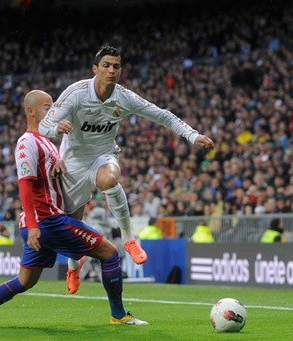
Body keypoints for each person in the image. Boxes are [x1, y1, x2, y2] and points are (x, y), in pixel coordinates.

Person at [0, 90, 147, 328]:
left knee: (24, 282)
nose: (53, 111)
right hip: (47, 222)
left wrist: (58, 163)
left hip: (42, 223)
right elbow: (25, 184)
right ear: (31, 111)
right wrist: (34, 226)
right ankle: (118, 315)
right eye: (47, 107)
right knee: (109, 253)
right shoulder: (27, 142)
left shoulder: (48, 143)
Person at [38, 46, 214, 287]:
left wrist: (192, 136)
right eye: (106, 65)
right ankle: (73, 264)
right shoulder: (76, 93)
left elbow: (163, 115)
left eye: (116, 66)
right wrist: (55, 129)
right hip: (74, 161)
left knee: (110, 179)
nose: (111, 70)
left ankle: (129, 238)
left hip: (103, 155)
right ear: (95, 69)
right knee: (73, 223)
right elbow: (43, 126)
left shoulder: (124, 97)